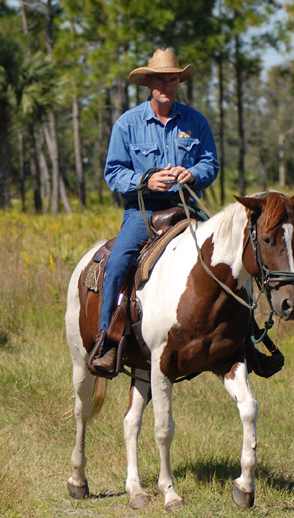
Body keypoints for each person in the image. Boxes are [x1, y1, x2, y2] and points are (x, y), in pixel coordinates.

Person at [88, 48, 219, 376]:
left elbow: (210, 163)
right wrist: (147, 180)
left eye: (173, 78)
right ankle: (107, 340)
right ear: (148, 82)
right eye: (161, 79)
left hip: (187, 207)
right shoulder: (127, 124)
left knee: (228, 255)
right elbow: (114, 173)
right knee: (118, 263)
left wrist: (194, 174)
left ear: (179, 82)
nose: (167, 85)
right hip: (142, 212)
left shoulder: (195, 122)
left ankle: (245, 339)